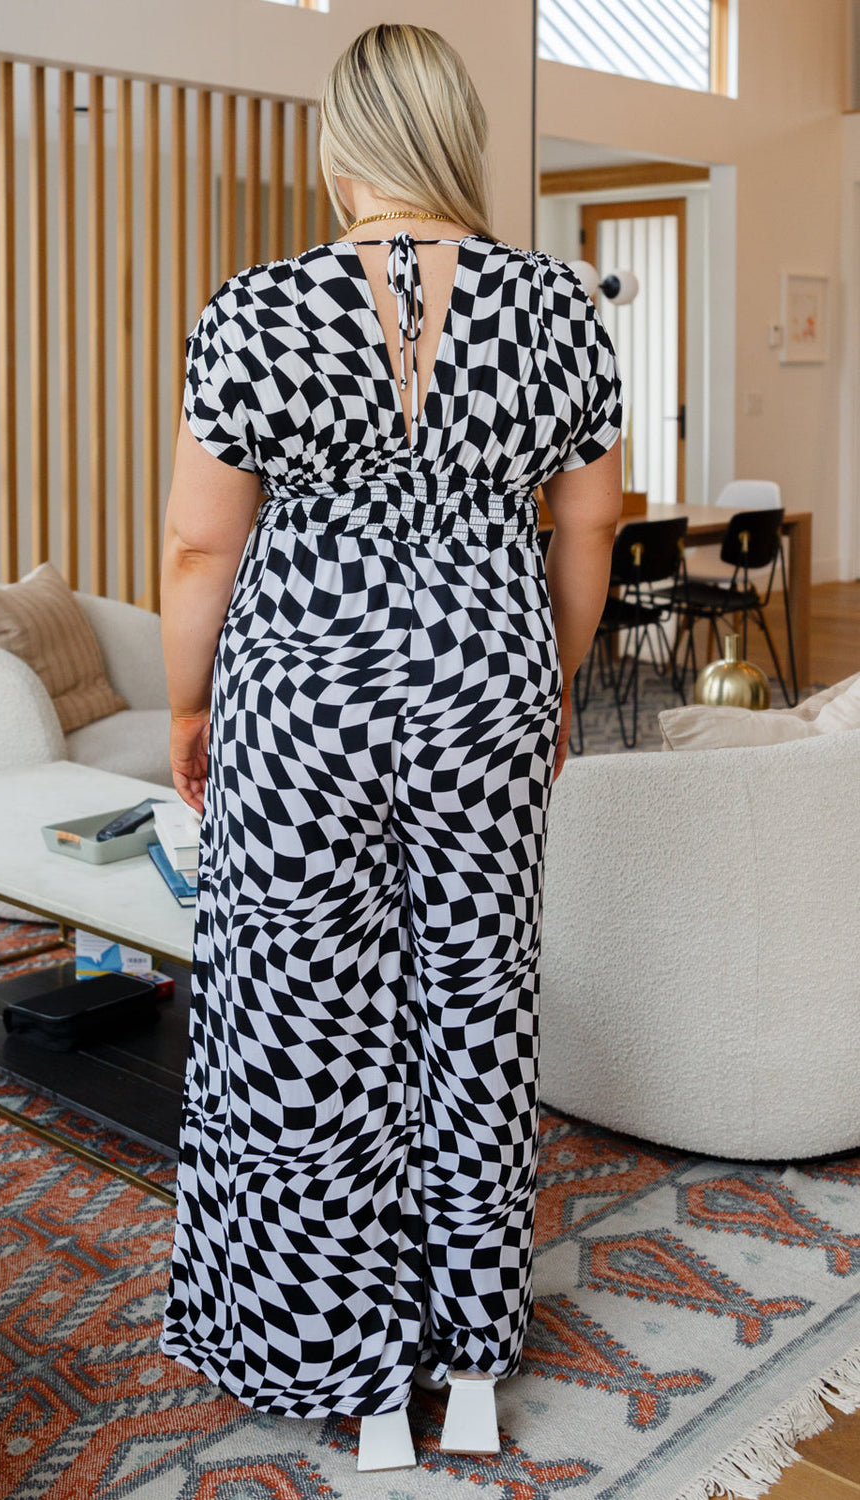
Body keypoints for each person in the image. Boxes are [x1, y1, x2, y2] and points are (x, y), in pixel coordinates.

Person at [158, 21, 622, 1473]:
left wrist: (187, 704)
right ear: (454, 138)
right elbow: (592, 522)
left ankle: (358, 1383)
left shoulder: (255, 309)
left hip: (303, 691)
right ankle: (470, 1365)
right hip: (487, 678)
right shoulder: (562, 307)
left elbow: (197, 546)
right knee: (475, 1006)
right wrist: (552, 675)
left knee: (307, 1021)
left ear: (344, 145)